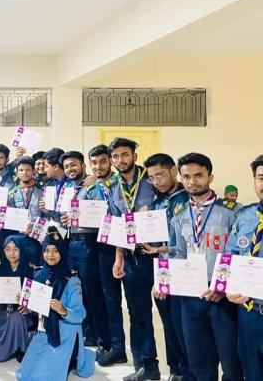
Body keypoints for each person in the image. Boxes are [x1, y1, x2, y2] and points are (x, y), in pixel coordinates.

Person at [171, 153, 242, 381]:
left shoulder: (233, 212)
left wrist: (223, 286)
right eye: (187, 176)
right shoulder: (180, 214)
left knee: (231, 360)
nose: (192, 181)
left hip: (223, 297)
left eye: (198, 175)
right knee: (199, 360)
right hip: (191, 296)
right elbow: (179, 253)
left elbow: (238, 254)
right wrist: (165, 280)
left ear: (210, 177)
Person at [108, 138, 160, 381]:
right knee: (138, 314)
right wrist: (118, 258)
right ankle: (146, 366)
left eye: (125, 154)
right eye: (116, 156)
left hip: (158, 255)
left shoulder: (151, 181)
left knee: (170, 316)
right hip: (131, 256)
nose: (121, 160)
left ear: (134, 156)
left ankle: (180, 369)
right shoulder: (113, 187)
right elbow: (118, 225)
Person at [16, 230, 95, 381]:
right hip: (44, 331)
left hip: (65, 334)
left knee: (45, 377)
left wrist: (63, 310)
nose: (50, 255)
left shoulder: (72, 280)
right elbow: (38, 308)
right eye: (47, 250)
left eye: (56, 250)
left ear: (62, 252)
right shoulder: (38, 275)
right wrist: (27, 306)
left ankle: (76, 356)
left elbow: (80, 315)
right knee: (25, 374)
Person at [142, 154, 192, 381]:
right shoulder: (157, 202)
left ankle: (188, 372)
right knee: (169, 325)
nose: (157, 182)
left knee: (186, 329)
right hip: (162, 270)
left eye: (160, 175)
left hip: (185, 273)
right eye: (152, 178)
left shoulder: (189, 199)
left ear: (173, 171)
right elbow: (155, 241)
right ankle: (175, 370)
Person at [59, 151, 111, 356]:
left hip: (89, 242)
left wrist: (77, 218)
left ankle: (104, 340)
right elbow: (63, 214)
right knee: (78, 291)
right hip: (71, 242)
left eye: (74, 165)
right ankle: (88, 333)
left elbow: (101, 215)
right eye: (66, 167)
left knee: (93, 292)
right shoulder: (68, 188)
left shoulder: (92, 185)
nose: (70, 169)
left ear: (83, 165)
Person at [84, 144, 127, 367]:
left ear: (110, 161)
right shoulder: (90, 187)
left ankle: (118, 347)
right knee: (97, 298)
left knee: (112, 300)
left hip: (116, 245)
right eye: (94, 163)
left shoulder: (121, 183)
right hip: (96, 244)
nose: (98, 166)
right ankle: (104, 343)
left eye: (102, 161)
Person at [226, 154, 263, 381]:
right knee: (252, 370)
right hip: (250, 312)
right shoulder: (244, 217)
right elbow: (230, 257)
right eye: (261, 178)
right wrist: (228, 288)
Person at [0, 235, 33, 364]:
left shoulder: (30, 270)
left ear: (21, 250)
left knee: (16, 318)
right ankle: (11, 348)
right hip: (4, 314)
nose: (11, 253)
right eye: (7, 249)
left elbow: (36, 299)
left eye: (15, 249)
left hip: (23, 315)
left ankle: (21, 348)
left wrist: (28, 307)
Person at [38, 148, 66, 222]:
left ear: (56, 166)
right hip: (54, 225)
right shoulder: (50, 185)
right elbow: (52, 214)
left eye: (47, 166)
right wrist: (47, 210)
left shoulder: (72, 184)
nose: (45, 170)